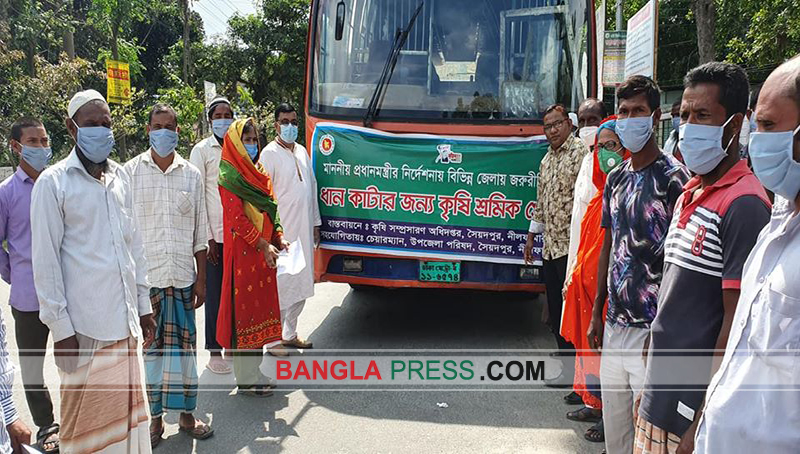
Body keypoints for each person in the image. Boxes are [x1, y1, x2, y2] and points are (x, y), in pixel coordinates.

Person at [634, 62, 771, 454]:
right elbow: (677, 295)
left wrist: (702, 420)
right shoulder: (689, 193)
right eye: (684, 116)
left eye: (702, 116)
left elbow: (735, 325)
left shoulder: (744, 204)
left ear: (734, 125)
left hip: (690, 409)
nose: (688, 126)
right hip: (659, 393)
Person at [31, 89, 155, 453]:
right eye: (91, 124)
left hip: (124, 323)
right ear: (72, 129)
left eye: (106, 124)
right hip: (84, 330)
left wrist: (143, 305)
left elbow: (134, 246)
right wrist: (61, 330)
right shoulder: (53, 183)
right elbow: (46, 263)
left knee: (128, 430)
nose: (101, 131)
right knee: (86, 434)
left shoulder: (120, 177)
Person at [694, 54, 800, 454]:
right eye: (758, 126)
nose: (759, 142)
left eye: (770, 126)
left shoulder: (747, 203)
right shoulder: (779, 218)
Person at [586, 75, 689, 454]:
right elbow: (608, 247)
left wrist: (664, 331)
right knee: (616, 435)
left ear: (655, 116)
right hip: (614, 326)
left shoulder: (675, 179)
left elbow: (681, 265)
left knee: (648, 440)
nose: (630, 119)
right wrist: (597, 311)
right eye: (624, 112)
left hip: (650, 333)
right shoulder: (615, 179)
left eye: (638, 111)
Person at [124, 104, 214, 447]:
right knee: (153, 354)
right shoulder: (130, 172)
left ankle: (187, 416)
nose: (164, 132)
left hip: (182, 278)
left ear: (178, 131)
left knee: (186, 352)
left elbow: (199, 233)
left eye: (170, 126)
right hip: (148, 283)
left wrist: (202, 279)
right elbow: (125, 233)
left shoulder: (191, 174)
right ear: (149, 130)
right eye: (158, 125)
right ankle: (156, 420)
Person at [562, 117, 629, 444]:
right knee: (591, 358)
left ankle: (609, 420)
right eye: (600, 148)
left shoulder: (627, 195)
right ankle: (595, 404)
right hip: (588, 296)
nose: (604, 154)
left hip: (612, 303)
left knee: (611, 366)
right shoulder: (600, 197)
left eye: (611, 146)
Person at [216, 118, 286, 397]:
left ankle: (254, 371)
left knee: (260, 312)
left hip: (264, 254)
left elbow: (271, 208)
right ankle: (246, 379)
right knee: (246, 315)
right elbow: (237, 219)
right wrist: (262, 244)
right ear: (234, 143)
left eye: (254, 139)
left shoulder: (258, 172)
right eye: (246, 140)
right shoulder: (229, 177)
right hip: (245, 255)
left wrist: (279, 237)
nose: (252, 145)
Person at [1, 117, 57, 453]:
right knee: (33, 367)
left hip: (66, 294)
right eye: (33, 141)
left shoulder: (58, 184)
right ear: (16, 146)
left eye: (45, 140)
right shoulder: (6, 194)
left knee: (75, 360)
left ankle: (83, 420)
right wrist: (14, 273)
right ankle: (47, 426)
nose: (41, 147)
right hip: (27, 298)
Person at [524, 104, 588, 388]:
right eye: (547, 126)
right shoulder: (546, 160)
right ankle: (567, 370)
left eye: (556, 124)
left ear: (569, 124)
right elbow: (541, 202)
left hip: (572, 249)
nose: (552, 131)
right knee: (556, 310)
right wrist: (531, 237)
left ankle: (579, 377)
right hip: (550, 247)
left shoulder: (581, 155)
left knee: (573, 313)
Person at [259, 103, 321, 355]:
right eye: (285, 122)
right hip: (282, 234)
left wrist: (316, 223)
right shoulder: (269, 154)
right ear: (276, 125)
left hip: (304, 230)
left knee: (303, 285)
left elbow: (312, 188)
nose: (290, 126)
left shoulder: (302, 152)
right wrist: (270, 234)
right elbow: (264, 197)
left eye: (294, 122)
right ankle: (273, 340)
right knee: (282, 287)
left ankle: (290, 334)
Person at [560, 98, 607, 405]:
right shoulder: (588, 158)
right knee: (580, 330)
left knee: (593, 335)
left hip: (594, 262)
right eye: (585, 121)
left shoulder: (607, 159)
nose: (589, 127)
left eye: (595, 121)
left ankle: (595, 401)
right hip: (577, 253)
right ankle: (583, 391)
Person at [189, 97, 234, 375]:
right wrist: (209, 239)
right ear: (210, 120)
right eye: (218, 115)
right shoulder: (202, 150)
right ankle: (214, 349)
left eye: (228, 114)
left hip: (236, 234)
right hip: (214, 238)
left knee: (233, 294)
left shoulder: (239, 147)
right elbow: (199, 197)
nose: (224, 119)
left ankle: (232, 343)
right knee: (215, 294)